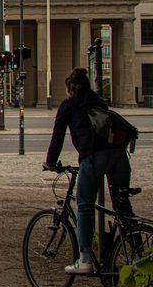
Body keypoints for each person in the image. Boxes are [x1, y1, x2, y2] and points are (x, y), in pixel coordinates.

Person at [44, 67, 133, 274]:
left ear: (69, 88)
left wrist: (50, 162)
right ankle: (137, 255)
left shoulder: (68, 105)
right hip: (119, 156)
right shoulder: (98, 102)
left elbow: (57, 138)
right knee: (123, 206)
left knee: (84, 205)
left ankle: (84, 259)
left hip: (94, 158)